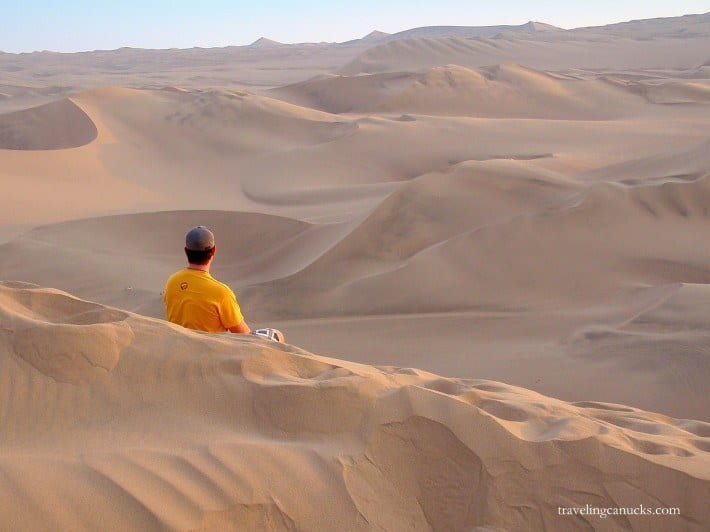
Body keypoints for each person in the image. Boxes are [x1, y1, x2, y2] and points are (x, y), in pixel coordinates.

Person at [164, 226, 284, 341]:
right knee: (277, 334)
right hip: (212, 352)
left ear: (186, 251)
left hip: (180, 345)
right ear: (214, 250)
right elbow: (244, 336)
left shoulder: (172, 281)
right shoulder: (221, 292)